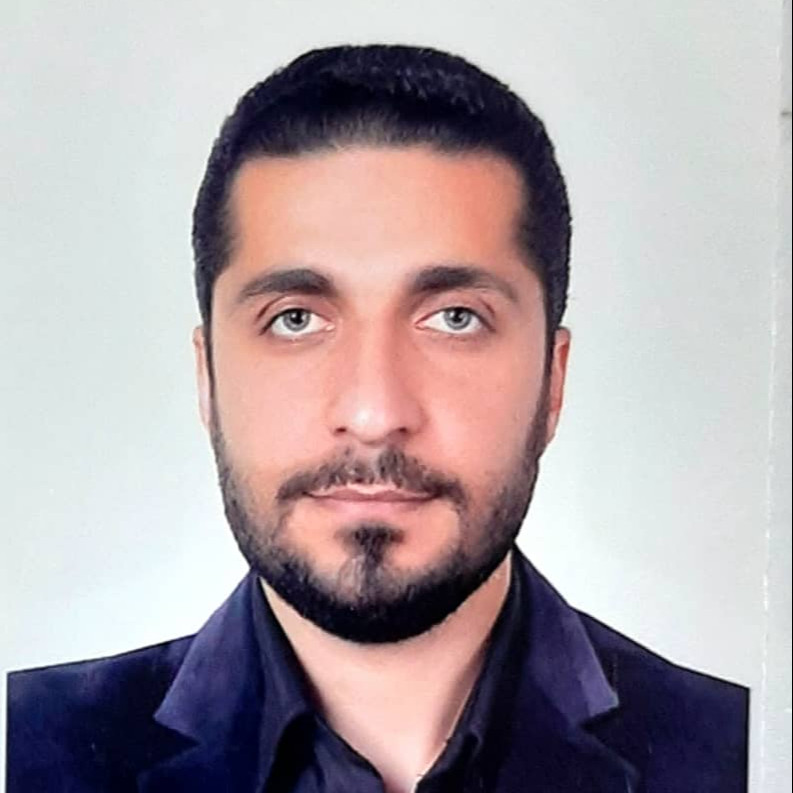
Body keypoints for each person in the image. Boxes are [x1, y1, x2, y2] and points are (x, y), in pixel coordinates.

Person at [6, 44, 748, 793]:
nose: (373, 413)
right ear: (209, 379)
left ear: (552, 383)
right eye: (295, 318)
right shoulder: (25, 751)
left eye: (454, 317)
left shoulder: (747, 757)